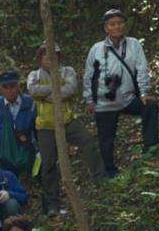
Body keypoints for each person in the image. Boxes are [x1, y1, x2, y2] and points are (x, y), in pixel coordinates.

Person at [27, 43, 106, 217]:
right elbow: (33, 90)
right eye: (46, 56)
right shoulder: (34, 75)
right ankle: (53, 205)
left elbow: (70, 89)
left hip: (68, 120)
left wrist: (47, 94)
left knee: (89, 143)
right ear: (40, 58)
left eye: (54, 56)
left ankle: (102, 185)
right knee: (48, 164)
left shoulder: (67, 71)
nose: (50, 60)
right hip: (45, 126)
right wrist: (56, 89)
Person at [83, 9, 159, 178]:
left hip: (127, 98)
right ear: (106, 28)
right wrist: (89, 100)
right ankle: (109, 172)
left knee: (150, 105)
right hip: (104, 103)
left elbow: (141, 69)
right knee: (106, 139)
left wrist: (144, 92)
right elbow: (88, 76)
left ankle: (151, 148)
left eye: (119, 23)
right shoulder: (96, 49)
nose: (117, 27)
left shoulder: (134, 44)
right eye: (112, 24)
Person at [0, 70, 37, 177]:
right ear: (0, 88)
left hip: (24, 155)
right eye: (5, 87)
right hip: (0, 159)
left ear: (18, 85)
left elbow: (37, 130)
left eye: (12, 86)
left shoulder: (30, 104)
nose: (9, 91)